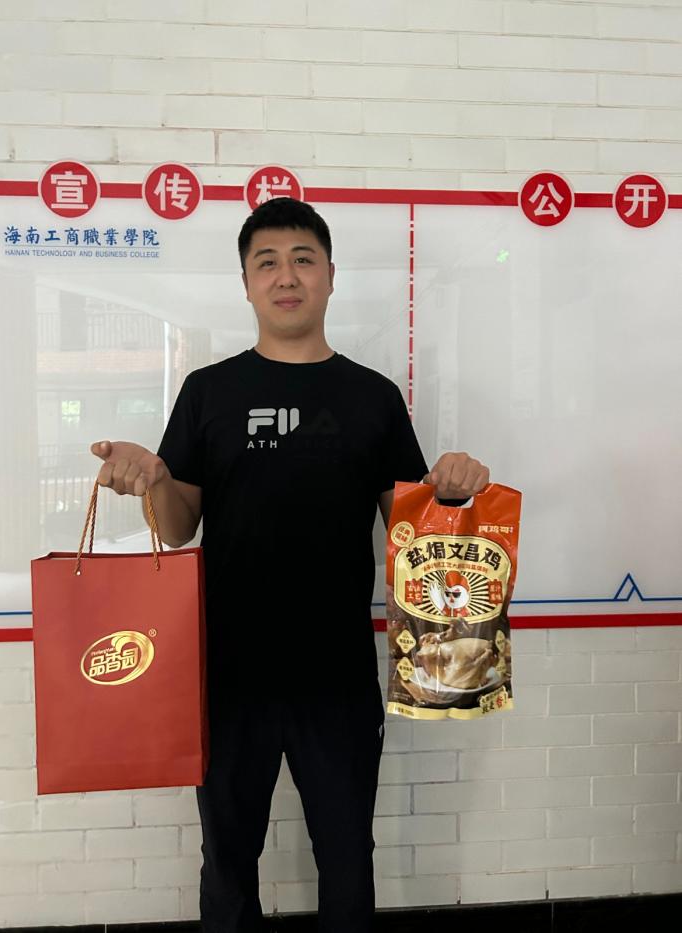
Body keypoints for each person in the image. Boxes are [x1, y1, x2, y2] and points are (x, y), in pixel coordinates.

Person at [91, 197, 489, 933]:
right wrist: (153, 480)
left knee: (347, 857)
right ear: (245, 283)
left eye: (303, 259)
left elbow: (411, 536)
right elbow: (177, 529)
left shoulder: (373, 397)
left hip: (337, 676)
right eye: (266, 262)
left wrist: (454, 493)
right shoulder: (209, 391)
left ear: (331, 276)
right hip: (227, 675)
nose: (286, 276)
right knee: (227, 860)